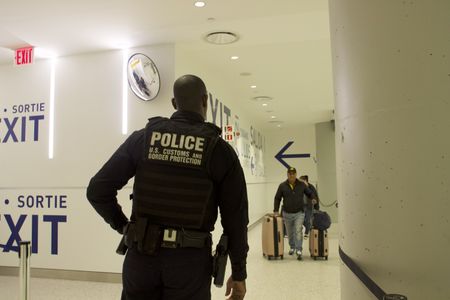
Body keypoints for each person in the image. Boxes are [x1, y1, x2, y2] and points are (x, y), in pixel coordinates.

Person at [86, 74, 249, 300]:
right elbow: (236, 218)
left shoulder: (143, 138)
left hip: (141, 256)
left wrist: (124, 227)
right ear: (205, 101)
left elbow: (97, 190)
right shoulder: (219, 150)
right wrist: (239, 273)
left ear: (174, 103)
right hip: (189, 264)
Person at [273, 167, 317, 260]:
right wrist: (276, 210)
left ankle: (299, 249)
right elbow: (277, 198)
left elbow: (309, 193)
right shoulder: (282, 186)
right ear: (287, 174)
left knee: (298, 230)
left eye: (293, 173)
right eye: (290, 174)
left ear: (296, 174)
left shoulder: (301, 185)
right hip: (287, 213)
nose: (291, 175)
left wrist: (313, 198)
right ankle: (292, 247)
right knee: (290, 233)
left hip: (299, 213)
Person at [299, 175, 319, 239]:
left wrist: (317, 207)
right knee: (301, 220)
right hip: (301, 206)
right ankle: (307, 229)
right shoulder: (300, 187)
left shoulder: (311, 187)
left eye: (301, 181)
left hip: (309, 206)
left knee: (308, 220)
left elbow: (315, 197)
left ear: (305, 181)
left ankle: (306, 233)